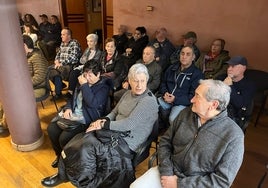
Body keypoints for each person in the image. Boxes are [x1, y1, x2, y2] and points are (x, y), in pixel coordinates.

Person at [41, 63, 159, 187]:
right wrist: (99, 122)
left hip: (128, 141)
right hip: (113, 132)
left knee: (89, 147)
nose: (139, 85)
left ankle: (83, 181)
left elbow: (129, 124)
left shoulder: (149, 101)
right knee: (80, 138)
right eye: (135, 81)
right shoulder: (128, 93)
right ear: (129, 80)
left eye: (142, 81)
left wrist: (103, 124)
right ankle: (64, 174)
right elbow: (114, 112)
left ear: (147, 80)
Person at [130, 79, 244, 188]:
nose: (191, 100)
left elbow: (222, 181)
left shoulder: (234, 136)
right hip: (168, 171)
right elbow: (165, 141)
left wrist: (179, 184)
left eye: (197, 96)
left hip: (195, 184)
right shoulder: (186, 113)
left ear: (213, 104)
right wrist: (167, 172)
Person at [46, 59, 111, 169]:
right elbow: (73, 98)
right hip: (74, 115)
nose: (87, 78)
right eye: (85, 74)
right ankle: (60, 156)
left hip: (87, 119)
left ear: (98, 74)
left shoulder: (103, 87)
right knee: (51, 129)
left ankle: (68, 161)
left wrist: (85, 86)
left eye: (90, 75)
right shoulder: (82, 82)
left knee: (63, 138)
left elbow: (92, 104)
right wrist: (68, 108)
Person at [158, 46, 204, 127]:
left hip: (183, 103)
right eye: (182, 53)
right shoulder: (172, 68)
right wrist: (164, 93)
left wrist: (175, 99)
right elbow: (163, 82)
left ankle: (172, 137)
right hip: (166, 98)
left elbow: (193, 96)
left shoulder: (197, 74)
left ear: (193, 57)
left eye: (188, 54)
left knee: (173, 119)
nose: (184, 56)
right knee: (152, 107)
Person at [222, 56, 256, 131]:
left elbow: (240, 104)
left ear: (243, 68)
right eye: (229, 66)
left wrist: (229, 86)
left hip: (234, 117)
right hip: (216, 112)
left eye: (233, 66)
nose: (229, 69)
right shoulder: (221, 78)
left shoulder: (249, 85)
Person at [65, 33, 102, 98]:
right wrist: (86, 62)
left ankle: (75, 93)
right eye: (88, 41)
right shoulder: (87, 49)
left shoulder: (99, 52)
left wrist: (86, 62)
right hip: (83, 67)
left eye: (91, 41)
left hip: (90, 69)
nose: (89, 43)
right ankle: (71, 92)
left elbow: (93, 63)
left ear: (95, 42)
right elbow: (81, 60)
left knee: (76, 74)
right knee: (73, 72)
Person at [49, 27, 82, 99]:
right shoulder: (62, 44)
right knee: (48, 70)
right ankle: (60, 87)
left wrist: (61, 63)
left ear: (69, 35)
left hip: (70, 65)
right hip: (61, 65)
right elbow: (58, 54)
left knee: (56, 71)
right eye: (61, 34)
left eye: (63, 34)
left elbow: (73, 57)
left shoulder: (74, 43)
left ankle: (58, 92)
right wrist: (56, 61)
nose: (61, 36)